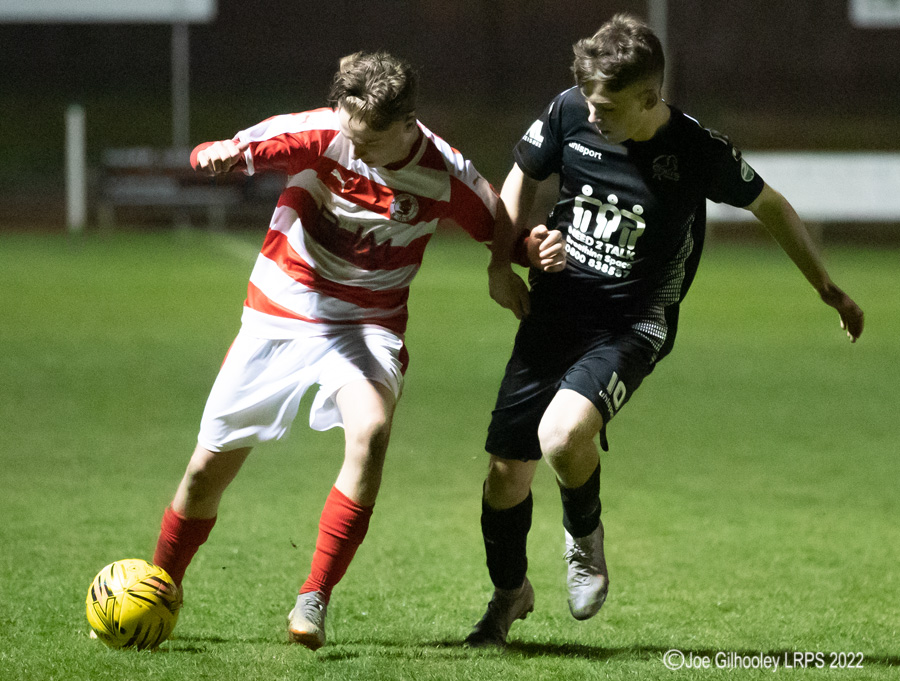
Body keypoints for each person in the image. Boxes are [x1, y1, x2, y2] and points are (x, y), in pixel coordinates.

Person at [465, 13, 865, 647]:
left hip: (634, 323)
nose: (591, 115)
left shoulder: (695, 150)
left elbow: (771, 205)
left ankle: (583, 538)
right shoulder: (570, 109)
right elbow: (523, 172)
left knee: (562, 435)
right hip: (555, 311)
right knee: (505, 476)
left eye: (606, 107)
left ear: (649, 97)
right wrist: (500, 261)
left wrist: (826, 286)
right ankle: (510, 594)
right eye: (587, 101)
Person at [150, 50, 542, 651]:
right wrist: (216, 154)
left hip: (368, 323)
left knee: (372, 430)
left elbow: (502, 229)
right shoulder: (321, 132)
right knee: (205, 473)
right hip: (281, 312)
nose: (353, 147)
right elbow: (231, 148)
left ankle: (314, 597)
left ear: (407, 124)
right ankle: (158, 588)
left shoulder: (443, 172)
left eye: (368, 141)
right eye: (348, 133)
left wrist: (533, 251)